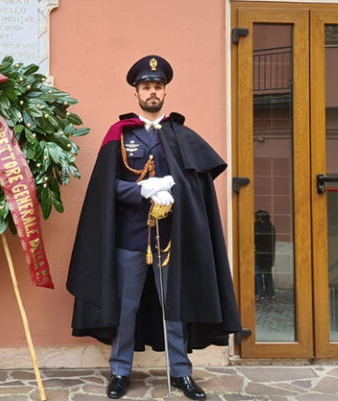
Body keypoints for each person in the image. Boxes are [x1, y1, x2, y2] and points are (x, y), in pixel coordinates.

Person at [66, 55, 241, 400]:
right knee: (125, 307)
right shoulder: (120, 135)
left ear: (165, 92)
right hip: (130, 239)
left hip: (172, 240)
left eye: (157, 87)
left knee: (173, 307)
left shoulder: (180, 135)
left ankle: (181, 373)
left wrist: (174, 190)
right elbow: (106, 189)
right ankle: (120, 371)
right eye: (146, 87)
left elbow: (197, 188)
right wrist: (141, 189)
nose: (152, 92)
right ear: (136, 93)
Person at [254, 210, 276, 301]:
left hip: (260, 254)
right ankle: (270, 293)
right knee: (268, 275)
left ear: (261, 218)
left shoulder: (260, 228)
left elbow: (256, 238)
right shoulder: (271, 227)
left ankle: (260, 294)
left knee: (258, 274)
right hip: (268, 254)